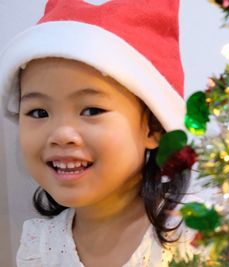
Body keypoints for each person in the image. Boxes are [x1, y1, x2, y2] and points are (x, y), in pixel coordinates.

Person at [0, 0, 196, 266]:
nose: (61, 134)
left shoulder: (198, 240)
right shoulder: (38, 245)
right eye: (39, 113)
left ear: (154, 127)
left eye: (91, 110)